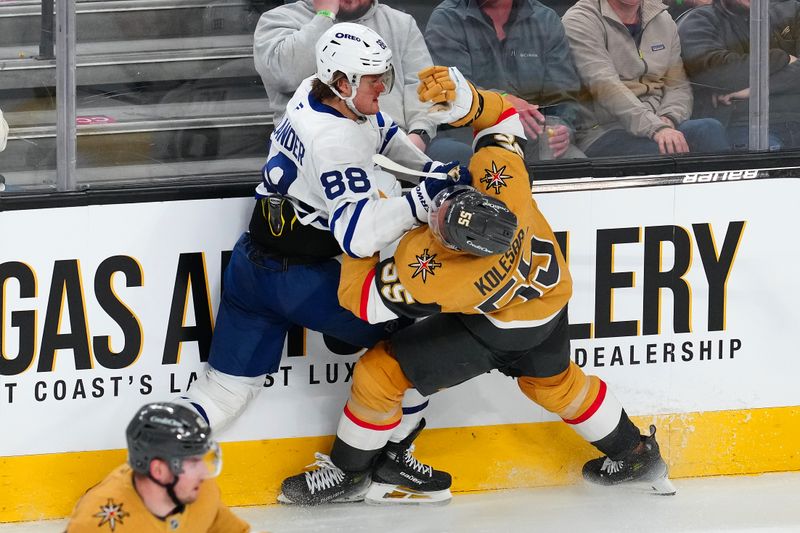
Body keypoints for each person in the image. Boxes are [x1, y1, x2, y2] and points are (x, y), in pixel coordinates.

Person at [278, 65, 677, 506]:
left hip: (492, 331)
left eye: (440, 222)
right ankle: (637, 455)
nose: (436, 214)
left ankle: (349, 475)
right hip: (549, 303)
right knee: (555, 384)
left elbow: (367, 305)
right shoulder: (504, 183)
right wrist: (466, 98)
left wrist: (363, 228)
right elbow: (504, 118)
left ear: (454, 246)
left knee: (379, 374)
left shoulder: (441, 271)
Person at [179, 23, 468, 503]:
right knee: (425, 342)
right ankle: (381, 463)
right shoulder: (332, 140)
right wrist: (421, 200)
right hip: (310, 282)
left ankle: (147, 468)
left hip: (253, 269)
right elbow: (358, 237)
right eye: (372, 79)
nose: (383, 86)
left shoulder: (312, 94)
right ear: (340, 81)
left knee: (224, 391)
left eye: (384, 75)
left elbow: (383, 135)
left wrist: (437, 171)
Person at [253, 0, 436, 152]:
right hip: (313, 154)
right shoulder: (277, 20)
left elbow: (423, 88)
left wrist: (418, 135)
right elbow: (285, 75)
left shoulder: (401, 23)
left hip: (392, 148)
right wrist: (325, 17)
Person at [424, 0, 586, 164]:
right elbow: (452, 89)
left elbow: (564, 95)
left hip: (537, 144)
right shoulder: (447, 19)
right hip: (471, 141)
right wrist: (502, 103)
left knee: (584, 172)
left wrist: (562, 130)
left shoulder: (545, 20)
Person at [561, 0, 729, 157]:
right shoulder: (580, 20)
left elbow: (678, 85)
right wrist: (655, 127)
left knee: (709, 129)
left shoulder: (663, 19)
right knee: (665, 155)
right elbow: (605, 86)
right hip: (604, 131)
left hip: (660, 122)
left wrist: (669, 117)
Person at [65, 402, 252, 532]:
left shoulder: (203, 491)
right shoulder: (100, 522)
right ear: (158, 470)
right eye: (193, 462)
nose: (204, 473)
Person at [677, 0, 800, 151]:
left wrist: (754, 89)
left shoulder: (792, 11)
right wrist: (781, 58)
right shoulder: (700, 21)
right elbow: (715, 73)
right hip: (742, 124)